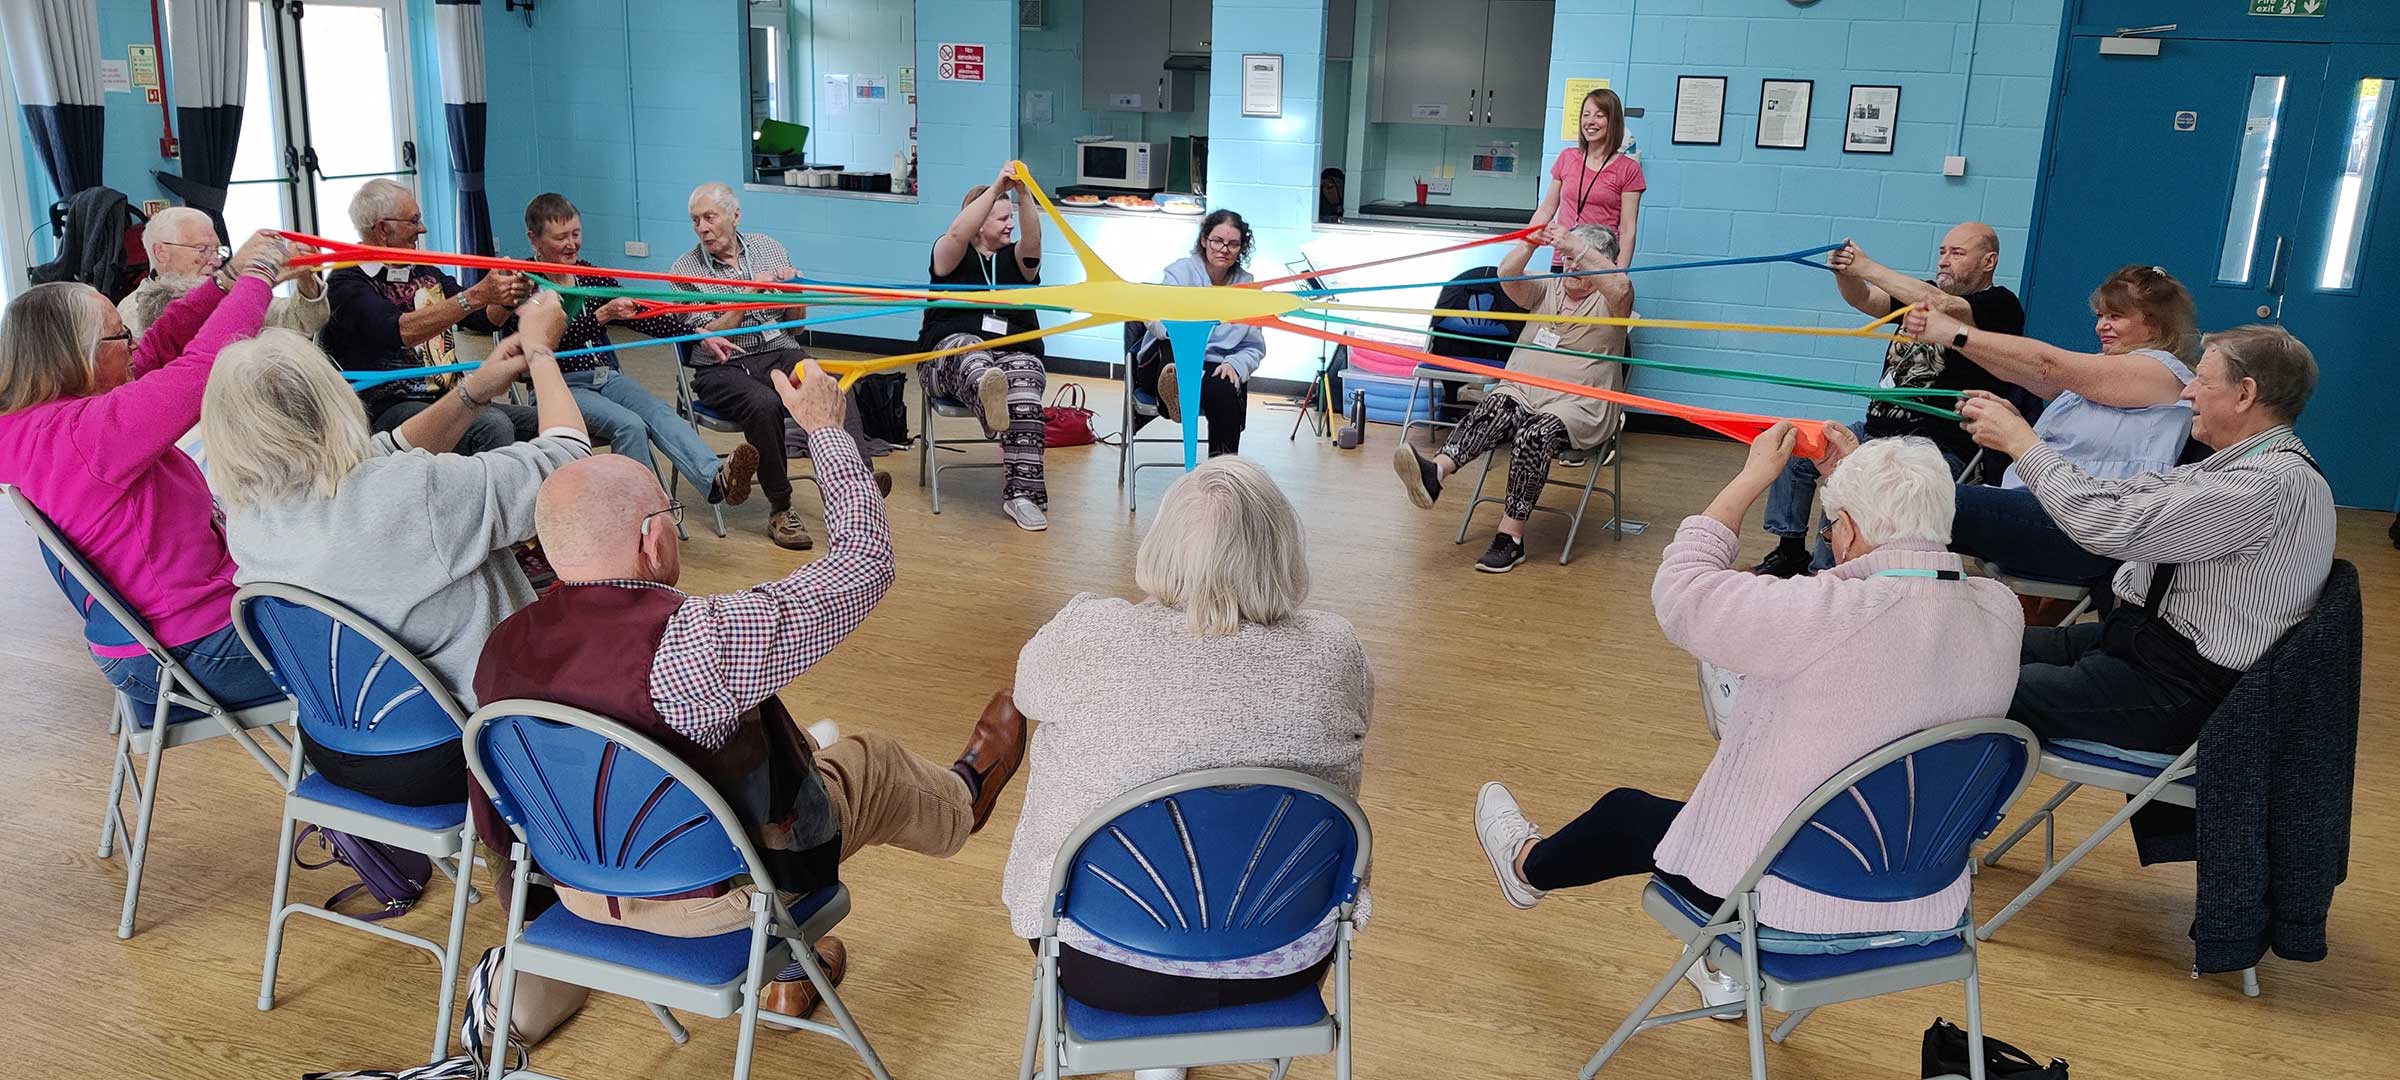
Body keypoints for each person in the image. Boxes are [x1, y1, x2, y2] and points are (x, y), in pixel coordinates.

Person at [475, 359, 1027, 1021]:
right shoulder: (698, 641)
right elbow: (864, 563)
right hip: (715, 902)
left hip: (579, 890)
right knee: (863, 765)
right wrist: (825, 430)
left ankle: (798, 966)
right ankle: (964, 799)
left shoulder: (498, 651)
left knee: (760, 763)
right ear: (654, 541)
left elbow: (495, 817)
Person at [1473, 424, 2021, 1014]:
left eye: (1835, 525)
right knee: (1785, 753)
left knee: (1627, 815)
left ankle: (1526, 867)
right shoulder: (2000, 610)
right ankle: (1721, 970)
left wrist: (1751, 477)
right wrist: (1863, 482)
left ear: (1851, 530)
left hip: (1784, 901)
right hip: (1924, 898)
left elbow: (1683, 590)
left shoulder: (1823, 613)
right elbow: (1895, 583)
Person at [1004, 455, 1372, 1036]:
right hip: (1283, 960)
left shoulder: (1092, 637)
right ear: (1281, 550)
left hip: (1097, 961)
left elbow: (1025, 691)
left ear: (1162, 545)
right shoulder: (1334, 651)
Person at [202, 292, 589, 806]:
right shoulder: (411, 495)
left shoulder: (248, 515)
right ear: (331, 403)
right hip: (472, 747)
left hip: (342, 748)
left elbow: (383, 454)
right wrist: (542, 353)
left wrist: (472, 393)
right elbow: (569, 466)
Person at [1958, 325, 2332, 754]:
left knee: (1964, 688)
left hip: (2177, 687)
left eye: (2203, 382)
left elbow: (2105, 525)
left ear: (2245, 394)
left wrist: (2021, 444)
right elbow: (2125, 495)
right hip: (2144, 645)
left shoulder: (2265, 486)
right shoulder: (2240, 467)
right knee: (1971, 644)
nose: (2188, 392)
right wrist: (2024, 437)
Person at [0, 231, 295, 716]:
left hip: (141, 644)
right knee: (389, 631)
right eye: (120, 335)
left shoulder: (34, 425)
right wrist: (259, 277)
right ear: (78, 355)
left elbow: (158, 349)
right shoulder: (88, 435)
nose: (134, 343)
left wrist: (225, 281)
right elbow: (202, 370)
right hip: (196, 650)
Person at [1902, 265, 2199, 608]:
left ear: (2154, 323)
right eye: (2101, 315)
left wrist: (1955, 333)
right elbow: (2023, 370)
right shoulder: (2104, 372)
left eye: (2116, 316)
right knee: (1908, 499)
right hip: (2053, 509)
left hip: (2081, 527)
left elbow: (2047, 365)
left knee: (1911, 500)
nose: (2102, 325)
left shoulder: (2160, 371)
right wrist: (2010, 420)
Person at [1753, 226, 2027, 577]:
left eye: (1957, 253)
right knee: (1796, 446)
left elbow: (1945, 305)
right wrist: (1845, 273)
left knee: (1850, 476)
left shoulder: (2000, 305)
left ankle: (1829, 574)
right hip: (1874, 429)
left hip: (1931, 446)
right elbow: (1865, 300)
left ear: (1988, 261)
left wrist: (1865, 266)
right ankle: (1790, 549)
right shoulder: (1923, 291)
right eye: (1942, 251)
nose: (1944, 260)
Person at [1392, 223, 1634, 573]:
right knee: (1494, 405)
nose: (1571, 268)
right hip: (1522, 389)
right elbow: (1507, 276)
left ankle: (1510, 537)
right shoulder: (1546, 287)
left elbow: (1622, 286)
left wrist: (1578, 248)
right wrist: (1529, 244)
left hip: (1578, 405)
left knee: (1534, 434)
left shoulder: (1612, 301)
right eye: (1567, 260)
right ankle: (1435, 473)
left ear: (1601, 265)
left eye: (1580, 263)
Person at [668, 181, 887, 551]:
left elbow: (796, 326)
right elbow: (708, 336)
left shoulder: (770, 248)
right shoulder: (683, 271)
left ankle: (858, 481)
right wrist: (750, 291)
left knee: (831, 383)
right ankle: (781, 509)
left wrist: (795, 293)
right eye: (695, 221)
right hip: (723, 365)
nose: (702, 228)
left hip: (780, 349)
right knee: (764, 405)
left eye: (709, 217)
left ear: (734, 216)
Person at [517, 192, 759, 510]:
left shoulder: (588, 273)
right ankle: (645, 515)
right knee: (629, 424)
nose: (571, 244)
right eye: (561, 237)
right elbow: (541, 347)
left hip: (605, 377)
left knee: (658, 412)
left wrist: (696, 334)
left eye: (576, 234)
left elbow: (639, 313)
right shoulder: (524, 285)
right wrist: (602, 316)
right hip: (559, 386)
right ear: (534, 240)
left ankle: (716, 478)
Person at [319, 179, 539, 456]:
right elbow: (400, 331)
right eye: (414, 221)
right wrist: (476, 295)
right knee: (492, 426)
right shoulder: (346, 281)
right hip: (388, 410)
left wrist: (508, 298)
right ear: (383, 229)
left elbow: (483, 320)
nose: (422, 229)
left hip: (451, 398)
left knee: (543, 422)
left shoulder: (422, 269)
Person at [919, 164, 1051, 532]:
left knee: (1023, 381)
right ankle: (990, 402)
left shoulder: (1018, 259)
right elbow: (958, 230)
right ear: (979, 223)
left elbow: (1035, 241)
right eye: (1002, 219)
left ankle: (1021, 497)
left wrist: (1023, 192)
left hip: (1011, 352)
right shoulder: (951, 254)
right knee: (971, 351)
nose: (1011, 225)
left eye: (1012, 218)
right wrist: (996, 187)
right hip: (952, 354)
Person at [1133, 210, 1267, 458]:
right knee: (1178, 354)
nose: (1224, 249)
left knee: (1225, 388)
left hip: (1214, 364)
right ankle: (1176, 389)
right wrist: (1183, 330)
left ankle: (1221, 474)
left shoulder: (1248, 289)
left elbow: (1254, 347)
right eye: (1217, 241)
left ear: (1241, 248)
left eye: (1233, 244)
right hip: (1168, 355)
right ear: (1205, 240)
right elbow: (1152, 316)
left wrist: (1236, 364)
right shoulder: (1180, 273)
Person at [118, 206, 329, 339]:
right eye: (202, 249)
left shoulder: (229, 290)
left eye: (218, 250)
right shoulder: (132, 311)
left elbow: (303, 322)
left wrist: (305, 277)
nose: (216, 259)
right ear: (161, 252)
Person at [1530, 87, 1644, 270]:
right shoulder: (1567, 157)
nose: (1590, 121)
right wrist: (1526, 243)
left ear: (1613, 121)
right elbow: (1546, 209)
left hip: (1600, 263)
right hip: (1564, 259)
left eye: (1599, 115)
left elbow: (1628, 230)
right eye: (1586, 114)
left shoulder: (1629, 169)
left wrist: (1619, 274)